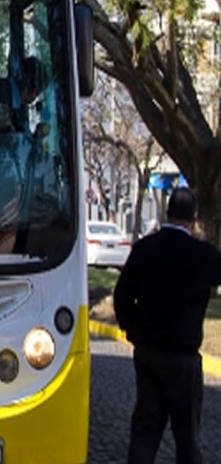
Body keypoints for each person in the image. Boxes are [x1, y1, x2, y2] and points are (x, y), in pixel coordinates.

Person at [113, 187, 221, 463]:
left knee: (145, 432)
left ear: (167, 213)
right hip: (184, 357)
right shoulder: (202, 254)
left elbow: (122, 296)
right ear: (193, 220)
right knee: (187, 437)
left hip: (148, 352)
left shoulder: (144, 249)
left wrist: (132, 329)